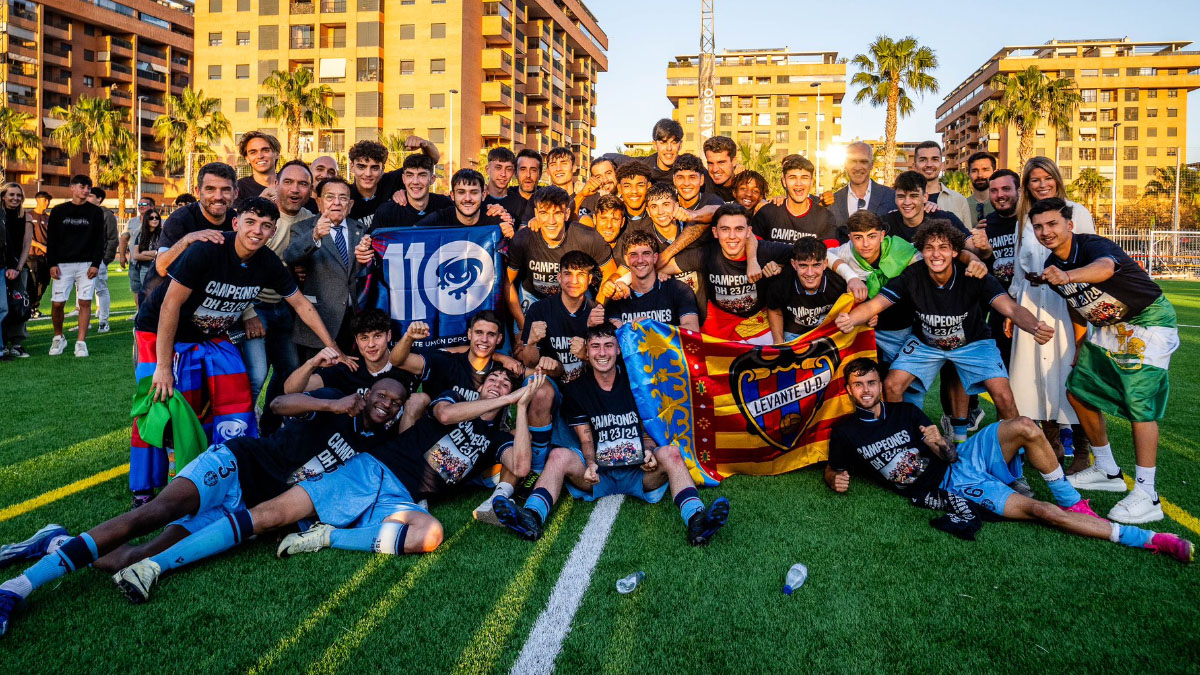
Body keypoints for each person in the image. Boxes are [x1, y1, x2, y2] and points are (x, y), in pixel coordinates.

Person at [0, 380, 410, 635]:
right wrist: (332, 405)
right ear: (367, 393)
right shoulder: (336, 401)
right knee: (151, 514)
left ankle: (55, 543)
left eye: (395, 403)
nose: (387, 404)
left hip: (250, 507)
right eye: (382, 395)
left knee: (142, 557)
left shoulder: (374, 450)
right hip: (235, 464)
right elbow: (279, 405)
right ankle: (16, 589)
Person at [108, 372, 543, 604]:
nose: (500, 387)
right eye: (495, 382)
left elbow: (520, 465)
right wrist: (508, 397)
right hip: (370, 470)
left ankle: (325, 536)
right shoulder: (453, 399)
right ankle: (154, 566)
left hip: (402, 497)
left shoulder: (497, 439)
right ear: (482, 387)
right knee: (268, 517)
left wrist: (521, 409)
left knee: (429, 534)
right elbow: (446, 419)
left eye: (508, 385)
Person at [826, 358, 1192, 561]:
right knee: (1041, 512)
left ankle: (1073, 502)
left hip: (962, 458)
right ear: (849, 390)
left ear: (879, 384)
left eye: (872, 383)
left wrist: (939, 443)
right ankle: (1148, 538)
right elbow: (835, 469)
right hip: (953, 484)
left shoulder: (904, 411)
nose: (867, 390)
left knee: (1023, 425)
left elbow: (947, 452)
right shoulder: (845, 433)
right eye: (858, 385)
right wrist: (834, 479)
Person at [130, 197, 352, 506]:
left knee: (236, 394)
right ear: (236, 223)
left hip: (209, 333)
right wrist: (163, 366)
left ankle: (228, 468)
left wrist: (333, 347)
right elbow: (170, 304)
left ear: (273, 232)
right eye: (250, 222)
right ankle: (146, 488)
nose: (257, 231)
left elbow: (300, 303)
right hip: (160, 330)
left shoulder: (267, 263)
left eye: (265, 226)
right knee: (163, 402)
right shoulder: (208, 251)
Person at [494, 324, 731, 545]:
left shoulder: (637, 381)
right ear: (587, 351)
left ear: (618, 349)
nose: (602, 353)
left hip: (639, 472)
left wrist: (648, 451)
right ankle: (532, 517)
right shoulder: (578, 389)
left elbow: (646, 428)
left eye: (608, 345)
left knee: (671, 453)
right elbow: (585, 438)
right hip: (598, 475)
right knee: (559, 457)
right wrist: (589, 464)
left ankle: (697, 519)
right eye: (595, 347)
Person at [835, 220, 1053, 442]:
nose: (936, 254)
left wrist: (1035, 327)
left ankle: (1013, 456)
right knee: (891, 384)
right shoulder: (912, 275)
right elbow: (875, 305)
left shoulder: (973, 276)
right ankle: (900, 441)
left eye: (943, 247)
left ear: (955, 252)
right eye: (929, 248)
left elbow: (1011, 308)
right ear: (921, 251)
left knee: (1004, 396)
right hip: (925, 345)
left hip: (973, 342)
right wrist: (849, 319)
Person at [1032, 198, 1180, 525]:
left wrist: (1068, 275)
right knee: (1079, 391)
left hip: (1146, 321)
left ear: (1069, 225)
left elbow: (1105, 269)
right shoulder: (1052, 263)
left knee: (1139, 402)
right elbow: (1076, 304)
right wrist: (1081, 345)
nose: (1046, 231)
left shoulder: (1091, 247)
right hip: (1109, 327)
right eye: (1039, 226)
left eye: (1052, 224)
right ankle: (1107, 469)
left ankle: (1147, 493)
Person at [1008, 157, 1096, 473]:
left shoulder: (1077, 212)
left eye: (1047, 177)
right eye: (1034, 180)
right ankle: (1052, 447)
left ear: (1057, 178)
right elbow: (1020, 269)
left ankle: (1085, 452)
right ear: (1027, 185)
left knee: (1070, 374)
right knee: (1034, 376)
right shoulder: (1024, 218)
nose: (1041, 184)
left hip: (1067, 303)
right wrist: (1013, 310)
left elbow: (1092, 257)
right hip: (1031, 302)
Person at [239, 159, 313, 414]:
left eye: (303, 184)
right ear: (276, 184)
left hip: (286, 306)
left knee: (289, 373)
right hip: (255, 305)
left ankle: (271, 426)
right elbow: (238, 267)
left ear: (310, 190)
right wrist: (248, 313)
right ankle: (240, 430)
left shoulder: (311, 220)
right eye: (288, 182)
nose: (295, 189)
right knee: (256, 375)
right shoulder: (261, 217)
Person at [660, 204, 788, 343]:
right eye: (725, 229)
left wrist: (780, 267)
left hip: (756, 323)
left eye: (739, 229)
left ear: (748, 232)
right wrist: (658, 273)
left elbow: (805, 256)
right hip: (718, 323)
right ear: (715, 232)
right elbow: (665, 267)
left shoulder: (765, 251)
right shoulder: (706, 254)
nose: (732, 236)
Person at [506, 185, 615, 331]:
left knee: (584, 343)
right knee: (525, 349)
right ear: (536, 214)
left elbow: (610, 272)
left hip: (576, 293)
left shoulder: (586, 237)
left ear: (567, 213)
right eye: (544, 213)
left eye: (557, 213)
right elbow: (507, 282)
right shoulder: (523, 239)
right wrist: (522, 322)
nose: (551, 221)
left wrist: (597, 307)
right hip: (533, 296)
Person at [285, 176, 368, 362]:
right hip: (319, 320)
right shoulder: (303, 228)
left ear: (351, 204)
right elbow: (290, 256)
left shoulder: (361, 229)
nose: (337, 202)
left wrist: (367, 259)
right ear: (319, 202)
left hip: (354, 320)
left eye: (343, 198)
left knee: (351, 378)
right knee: (317, 381)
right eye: (330, 197)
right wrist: (314, 236)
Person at [824, 210, 919, 368]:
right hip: (867, 329)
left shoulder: (903, 251)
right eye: (858, 237)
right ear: (850, 238)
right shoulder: (847, 251)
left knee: (902, 384)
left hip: (901, 328)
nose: (866, 244)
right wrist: (851, 276)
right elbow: (822, 255)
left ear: (882, 236)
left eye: (872, 236)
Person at [286, 308, 414, 396]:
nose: (371, 344)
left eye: (377, 336)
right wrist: (311, 364)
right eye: (364, 338)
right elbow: (290, 390)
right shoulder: (349, 369)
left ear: (389, 335)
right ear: (357, 341)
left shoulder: (406, 363)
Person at [46, 175, 105, 357]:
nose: (86, 190)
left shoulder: (96, 212)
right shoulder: (58, 211)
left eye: (89, 187)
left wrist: (95, 264)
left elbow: (99, 240)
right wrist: (52, 263)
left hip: (86, 264)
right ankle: (59, 337)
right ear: (72, 188)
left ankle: (81, 342)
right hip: (63, 264)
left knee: (85, 302)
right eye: (82, 186)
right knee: (57, 304)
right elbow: (52, 240)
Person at [970, 169, 1020, 367]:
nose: (1000, 195)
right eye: (994, 190)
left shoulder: (1030, 221)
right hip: (1000, 305)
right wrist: (986, 252)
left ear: (1019, 191)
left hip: (1028, 302)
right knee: (1003, 366)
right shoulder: (986, 226)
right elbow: (986, 268)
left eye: (1006, 189)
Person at [155, 163, 239, 280]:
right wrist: (188, 239)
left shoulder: (237, 220)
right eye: (210, 189)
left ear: (235, 193)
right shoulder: (179, 219)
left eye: (225, 190)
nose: (218, 196)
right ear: (198, 191)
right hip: (165, 294)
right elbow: (161, 268)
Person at [603, 231, 700, 332]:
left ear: (655, 258)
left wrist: (653, 327)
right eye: (634, 254)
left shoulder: (678, 290)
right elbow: (614, 337)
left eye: (646, 254)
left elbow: (693, 330)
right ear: (626, 260)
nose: (640, 260)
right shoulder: (618, 297)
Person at [771, 236, 847, 342]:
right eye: (803, 266)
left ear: (825, 264)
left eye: (816, 265)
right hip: (793, 334)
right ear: (793, 264)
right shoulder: (781, 281)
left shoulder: (838, 283)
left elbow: (854, 306)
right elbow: (775, 310)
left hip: (827, 333)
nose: (810, 273)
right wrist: (778, 342)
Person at [751, 154, 837, 243]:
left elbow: (831, 253)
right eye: (792, 177)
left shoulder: (825, 217)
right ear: (784, 181)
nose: (798, 183)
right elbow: (752, 249)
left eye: (804, 177)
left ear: (811, 182)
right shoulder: (766, 213)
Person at [412, 168, 513, 232]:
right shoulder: (438, 219)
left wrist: (510, 235)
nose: (467, 198)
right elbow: (408, 234)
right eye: (461, 192)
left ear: (483, 195)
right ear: (452, 195)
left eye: (474, 192)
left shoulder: (496, 221)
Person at [370, 153, 453, 230]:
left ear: (432, 179)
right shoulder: (386, 212)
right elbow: (372, 242)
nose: (415, 182)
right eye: (410, 175)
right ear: (403, 179)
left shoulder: (446, 206)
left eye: (422, 175)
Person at [883, 170, 969, 242]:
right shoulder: (886, 223)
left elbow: (971, 245)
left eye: (914, 196)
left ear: (925, 197)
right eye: (901, 197)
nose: (907, 202)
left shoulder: (945, 219)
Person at [829, 141, 896, 232]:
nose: (858, 167)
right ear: (845, 164)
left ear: (871, 165)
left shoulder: (891, 197)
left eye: (863, 162)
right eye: (853, 161)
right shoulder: (833, 202)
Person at [2, 183, 32, 358]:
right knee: (2, 306)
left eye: (19, 195)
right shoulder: (0, 215)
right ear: (3, 196)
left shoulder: (25, 217)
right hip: (1, 267)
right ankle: (2, 342)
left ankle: (17, 343)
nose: (15, 198)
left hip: (19, 268)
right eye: (11, 195)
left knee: (20, 304)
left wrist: (18, 268)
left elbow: (26, 245)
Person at [913, 141, 971, 227]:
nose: (929, 164)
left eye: (935, 159)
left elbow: (968, 237)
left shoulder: (959, 200)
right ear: (914, 166)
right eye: (923, 160)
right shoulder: (904, 201)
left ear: (942, 165)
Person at [85, 187, 119, 334]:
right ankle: (85, 323)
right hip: (82, 259)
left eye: (90, 195)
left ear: (99, 199)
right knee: (84, 292)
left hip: (99, 260)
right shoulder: (82, 213)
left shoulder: (107, 215)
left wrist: (105, 260)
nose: (87, 197)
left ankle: (103, 321)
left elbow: (112, 239)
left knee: (101, 289)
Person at [233, 131, 280, 209]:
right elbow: (236, 217)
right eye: (253, 152)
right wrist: (260, 200)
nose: (260, 156)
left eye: (265, 150)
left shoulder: (290, 185)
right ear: (247, 159)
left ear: (277, 154)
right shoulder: (238, 188)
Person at [481, 147, 527, 225]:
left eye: (508, 169)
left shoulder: (521, 204)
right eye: (498, 168)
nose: (503, 174)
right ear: (487, 169)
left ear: (513, 172)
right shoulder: (475, 199)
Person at [128, 208, 162, 307]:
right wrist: (155, 253)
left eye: (157, 218)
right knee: (146, 296)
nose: (155, 220)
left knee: (157, 295)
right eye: (151, 218)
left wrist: (145, 253)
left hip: (158, 268)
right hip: (144, 268)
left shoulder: (162, 233)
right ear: (147, 220)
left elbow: (162, 252)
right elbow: (136, 255)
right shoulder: (141, 235)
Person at [25, 190, 51, 316]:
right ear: (37, 200)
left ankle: (34, 307)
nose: (47, 203)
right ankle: (29, 309)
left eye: (48, 200)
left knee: (44, 282)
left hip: (45, 257)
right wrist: (40, 246)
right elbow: (25, 237)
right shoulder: (28, 216)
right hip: (31, 255)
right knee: (32, 283)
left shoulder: (48, 218)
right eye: (45, 200)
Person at [576, 155, 618, 224]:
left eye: (608, 173)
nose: (605, 180)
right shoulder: (590, 201)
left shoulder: (629, 196)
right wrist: (581, 194)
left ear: (616, 173)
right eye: (598, 177)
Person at [640, 118, 684, 184]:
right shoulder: (643, 169)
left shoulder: (688, 169)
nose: (669, 148)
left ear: (680, 145)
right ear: (655, 144)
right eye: (663, 142)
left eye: (674, 142)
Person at [119, 197, 155, 273]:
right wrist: (122, 256)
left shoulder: (159, 222)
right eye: (139, 204)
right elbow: (123, 238)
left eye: (144, 204)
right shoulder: (131, 221)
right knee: (134, 285)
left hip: (151, 263)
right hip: (134, 263)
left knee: (148, 285)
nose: (141, 206)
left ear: (152, 207)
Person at [702, 135, 739, 202]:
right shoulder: (701, 182)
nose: (715, 169)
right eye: (710, 163)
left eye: (721, 162)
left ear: (734, 161)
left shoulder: (746, 185)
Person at [964, 151, 997, 227]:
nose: (980, 175)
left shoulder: (1002, 204)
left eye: (985, 169)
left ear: (994, 172)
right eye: (974, 171)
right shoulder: (962, 205)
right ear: (968, 173)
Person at [514, 149, 544, 225]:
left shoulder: (547, 198)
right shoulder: (506, 197)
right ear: (515, 173)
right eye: (523, 169)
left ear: (540, 174)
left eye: (533, 170)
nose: (528, 175)